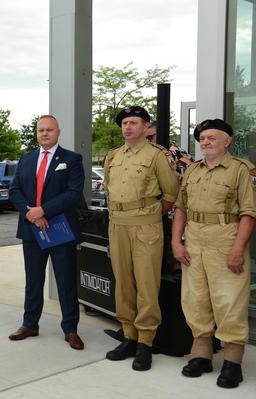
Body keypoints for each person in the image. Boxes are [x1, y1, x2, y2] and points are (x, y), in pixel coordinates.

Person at [172, 119, 255, 388]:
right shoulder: (193, 171)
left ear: (227, 141)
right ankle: (202, 356)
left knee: (229, 301)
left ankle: (232, 362)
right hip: (194, 240)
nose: (205, 142)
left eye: (212, 138)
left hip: (226, 240)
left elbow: (249, 213)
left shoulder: (242, 170)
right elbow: (181, 208)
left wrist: (237, 249)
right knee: (195, 300)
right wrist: (176, 242)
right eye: (203, 138)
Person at [103, 106, 180, 371]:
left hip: (146, 226)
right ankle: (129, 337)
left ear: (146, 127)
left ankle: (146, 342)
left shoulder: (158, 156)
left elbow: (171, 194)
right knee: (123, 282)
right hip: (118, 224)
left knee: (147, 284)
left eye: (134, 122)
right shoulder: (113, 156)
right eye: (125, 122)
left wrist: (148, 215)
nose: (128, 127)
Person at [7, 115, 86, 350]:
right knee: (33, 280)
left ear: (58, 132)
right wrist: (30, 213)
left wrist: (44, 211)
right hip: (32, 230)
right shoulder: (27, 158)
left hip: (59, 229)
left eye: (49, 130)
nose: (44, 133)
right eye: (40, 130)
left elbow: (73, 193)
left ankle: (70, 328)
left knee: (66, 281)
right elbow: (15, 189)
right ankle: (30, 324)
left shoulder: (71, 159)